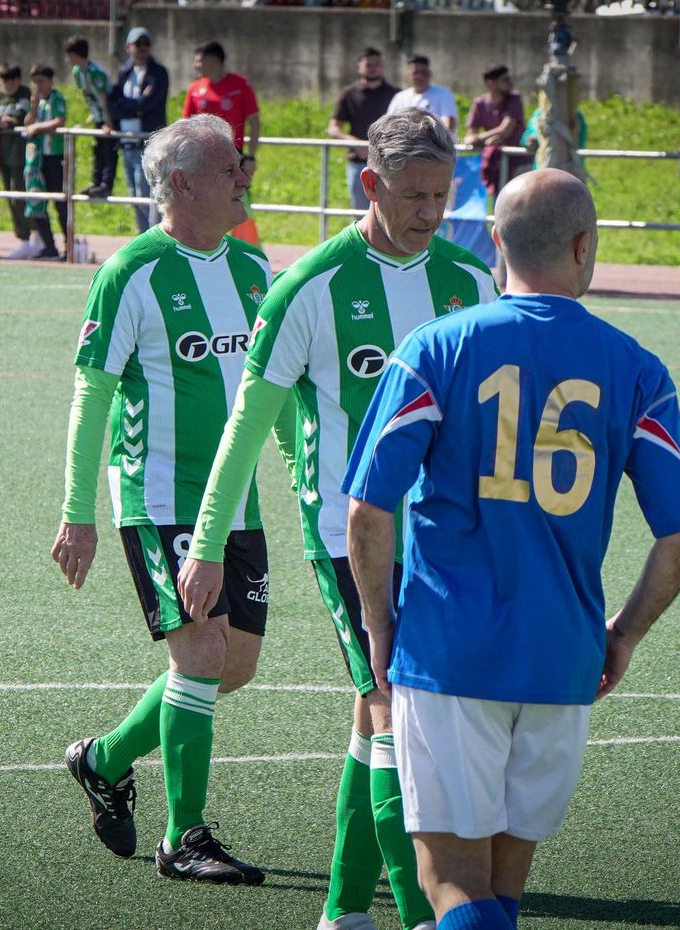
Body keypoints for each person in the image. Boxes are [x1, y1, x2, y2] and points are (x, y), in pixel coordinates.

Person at [342, 168, 680, 930]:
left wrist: (379, 626)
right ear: (584, 246)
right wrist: (625, 633)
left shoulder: (435, 348)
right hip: (563, 657)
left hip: (450, 651)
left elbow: (370, 509)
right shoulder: (637, 368)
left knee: (450, 885)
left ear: (497, 242)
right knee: (501, 895)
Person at [177, 109, 497, 930]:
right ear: (371, 185)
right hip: (348, 541)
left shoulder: (471, 284)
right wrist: (208, 545)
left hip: (445, 544)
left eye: (442, 193)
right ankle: (428, 917)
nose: (430, 211)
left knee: (373, 711)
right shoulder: (308, 288)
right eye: (413, 195)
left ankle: (343, 911)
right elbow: (246, 427)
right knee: (397, 711)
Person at [54, 114, 271, 886]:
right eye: (227, 169)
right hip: (158, 497)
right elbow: (92, 395)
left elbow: (277, 387)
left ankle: (104, 758)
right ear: (181, 184)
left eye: (240, 165)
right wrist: (78, 509)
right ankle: (186, 837)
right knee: (201, 652)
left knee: (232, 664)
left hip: (234, 501)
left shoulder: (254, 270)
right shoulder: (131, 273)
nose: (242, 177)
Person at [182, 40, 259, 244]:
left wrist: (250, 156)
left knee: (236, 201)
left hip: (234, 159)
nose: (195, 66)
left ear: (213, 61)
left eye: (199, 61)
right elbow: (185, 126)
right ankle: (204, 243)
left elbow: (254, 122)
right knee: (204, 201)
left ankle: (243, 247)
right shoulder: (194, 89)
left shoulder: (240, 85)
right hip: (202, 160)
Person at [112, 27, 170, 232]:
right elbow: (114, 105)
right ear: (128, 47)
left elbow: (146, 104)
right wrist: (132, 108)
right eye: (138, 44)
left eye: (147, 44)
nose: (143, 48)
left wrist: (128, 107)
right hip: (127, 142)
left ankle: (155, 236)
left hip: (147, 142)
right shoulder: (124, 72)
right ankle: (142, 235)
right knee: (134, 194)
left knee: (149, 195)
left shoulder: (158, 73)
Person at [328, 48, 399, 213]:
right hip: (358, 163)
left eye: (377, 64)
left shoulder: (396, 95)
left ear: (383, 66)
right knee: (361, 213)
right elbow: (334, 128)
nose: (373, 68)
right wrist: (355, 143)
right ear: (358, 67)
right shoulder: (349, 94)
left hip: (390, 163)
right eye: (368, 64)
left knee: (391, 212)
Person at [0, 64, 37, 259]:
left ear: (19, 80)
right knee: (10, 196)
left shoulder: (25, 93)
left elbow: (19, 118)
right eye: (4, 79)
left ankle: (34, 235)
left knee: (22, 195)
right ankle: (23, 238)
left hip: (19, 154)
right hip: (2, 155)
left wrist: (4, 121)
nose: (8, 84)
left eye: (12, 79)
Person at [23, 63, 68, 261]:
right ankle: (49, 246)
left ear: (50, 81)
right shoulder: (38, 102)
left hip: (54, 157)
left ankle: (69, 246)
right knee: (36, 200)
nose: (38, 86)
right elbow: (27, 122)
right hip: (38, 159)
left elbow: (60, 121)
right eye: (35, 82)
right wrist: (33, 106)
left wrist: (38, 127)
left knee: (60, 203)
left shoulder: (57, 98)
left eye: (41, 81)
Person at [464, 64, 528, 202]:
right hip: (496, 165)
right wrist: (475, 139)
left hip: (519, 163)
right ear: (491, 83)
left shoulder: (514, 99)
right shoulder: (479, 103)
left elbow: (505, 130)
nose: (510, 83)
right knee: (499, 205)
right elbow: (470, 134)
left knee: (521, 203)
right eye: (505, 80)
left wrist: (479, 138)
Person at [65, 36, 118, 200]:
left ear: (75, 55)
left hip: (109, 114)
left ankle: (105, 185)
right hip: (99, 114)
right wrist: (93, 114)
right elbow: (88, 95)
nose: (66, 59)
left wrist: (108, 121)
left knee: (108, 150)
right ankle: (96, 182)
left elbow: (104, 97)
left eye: (68, 55)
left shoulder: (94, 72)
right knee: (97, 148)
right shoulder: (77, 72)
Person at [387, 55, 457, 134]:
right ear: (408, 75)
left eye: (423, 73)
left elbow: (448, 124)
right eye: (415, 72)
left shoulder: (444, 93)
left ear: (430, 74)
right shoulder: (399, 97)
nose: (419, 76)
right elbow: (388, 124)